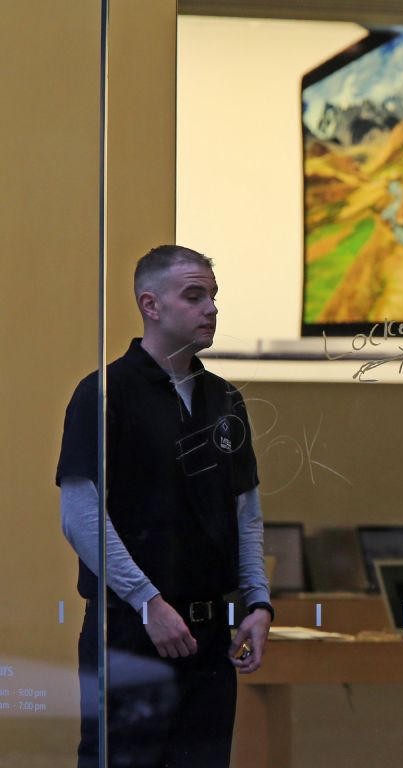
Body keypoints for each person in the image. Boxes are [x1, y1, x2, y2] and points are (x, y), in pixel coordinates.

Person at [56, 245, 273, 768]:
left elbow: (244, 510)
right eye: (194, 296)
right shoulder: (105, 393)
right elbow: (81, 516)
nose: (211, 309)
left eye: (213, 297)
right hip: (132, 631)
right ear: (151, 305)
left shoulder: (224, 399)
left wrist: (258, 603)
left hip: (208, 637)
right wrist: (148, 601)